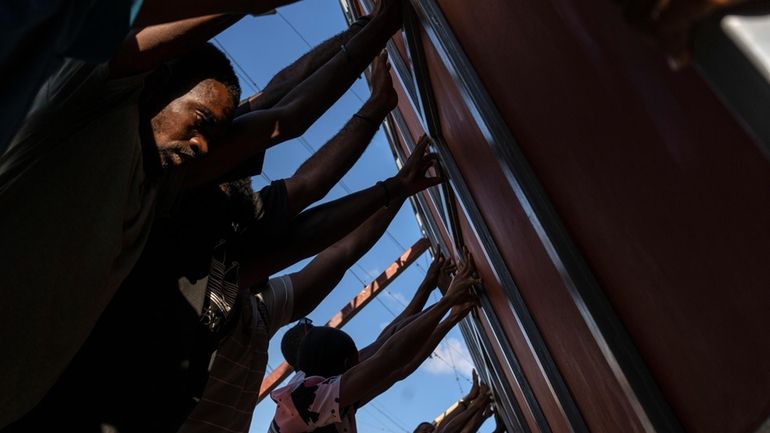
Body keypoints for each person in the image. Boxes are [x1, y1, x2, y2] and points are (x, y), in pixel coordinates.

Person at [0, 0, 405, 425]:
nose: (203, 146)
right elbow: (280, 97)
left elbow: (289, 117)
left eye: (215, 135)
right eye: (199, 122)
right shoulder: (84, 111)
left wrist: (376, 33)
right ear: (157, 87)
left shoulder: (160, 192)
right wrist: (369, 31)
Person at [268, 250, 481, 433]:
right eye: (355, 361)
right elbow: (390, 358)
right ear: (344, 367)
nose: (361, 360)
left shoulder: (319, 376)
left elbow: (386, 345)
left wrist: (430, 288)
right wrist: (447, 303)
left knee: (392, 370)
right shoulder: (307, 400)